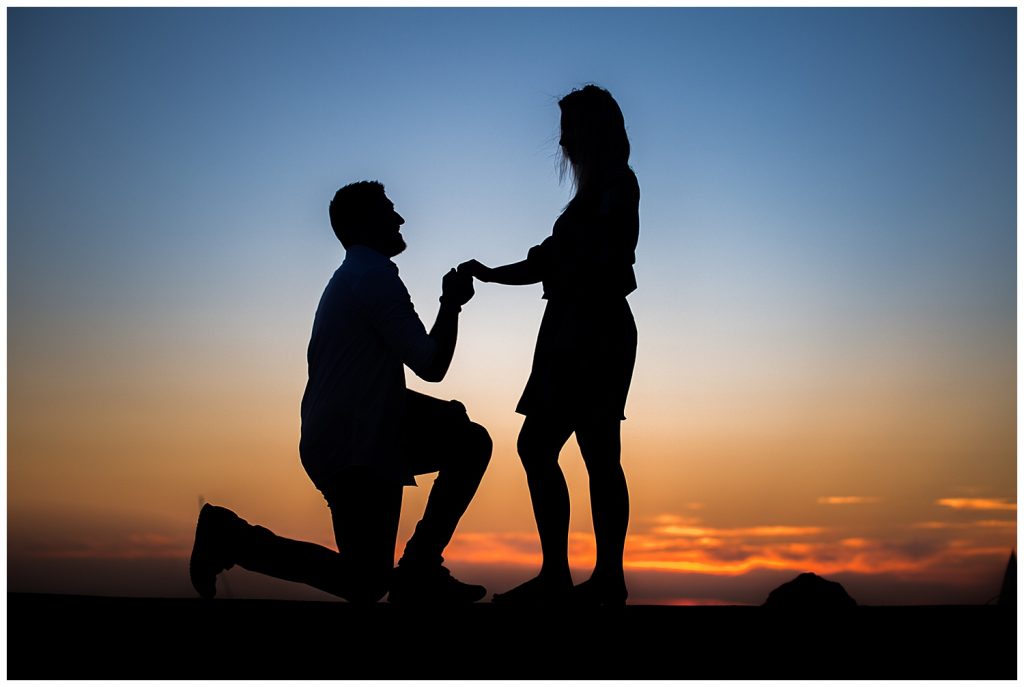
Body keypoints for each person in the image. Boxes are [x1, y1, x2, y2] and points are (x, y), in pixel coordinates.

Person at [190, 180, 492, 604]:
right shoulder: (373, 278)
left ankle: (232, 538)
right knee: (368, 579)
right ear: (367, 223)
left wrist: (442, 416)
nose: (400, 218)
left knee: (367, 578)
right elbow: (430, 364)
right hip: (355, 444)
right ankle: (417, 568)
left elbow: (366, 385)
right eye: (390, 210)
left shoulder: (353, 278)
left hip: (351, 434)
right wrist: (451, 303)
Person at [460, 85, 638, 606]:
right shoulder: (594, 193)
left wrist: (546, 266)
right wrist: (492, 275)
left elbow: (596, 256)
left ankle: (596, 578)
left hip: (592, 330)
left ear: (592, 131)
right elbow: (550, 260)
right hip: (572, 328)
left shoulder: (617, 186)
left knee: (586, 452)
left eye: (569, 129)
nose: (561, 141)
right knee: (563, 450)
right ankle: (573, 576)